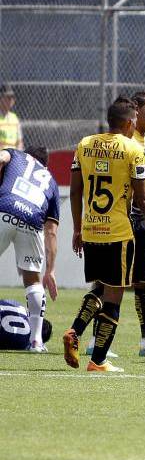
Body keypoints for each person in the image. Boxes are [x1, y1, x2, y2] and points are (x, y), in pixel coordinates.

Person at [63, 97, 145, 372]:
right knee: (114, 295)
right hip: (119, 231)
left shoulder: (84, 144)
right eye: (133, 120)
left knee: (98, 288)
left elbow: (75, 191)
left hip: (91, 229)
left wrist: (77, 228)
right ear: (127, 123)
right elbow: (143, 199)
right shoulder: (133, 149)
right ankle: (98, 360)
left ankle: (75, 330)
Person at [0, 146, 59, 352]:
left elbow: (1, 158)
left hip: (5, 208)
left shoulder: (16, 154)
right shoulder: (51, 181)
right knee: (33, 280)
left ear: (28, 154)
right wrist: (50, 271)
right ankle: (36, 341)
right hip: (33, 220)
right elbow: (51, 231)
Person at [0, 84, 24, 151]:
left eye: (12, 97)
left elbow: (20, 142)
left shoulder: (14, 118)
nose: (10, 100)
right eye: (7, 97)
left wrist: (18, 156)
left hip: (13, 157)